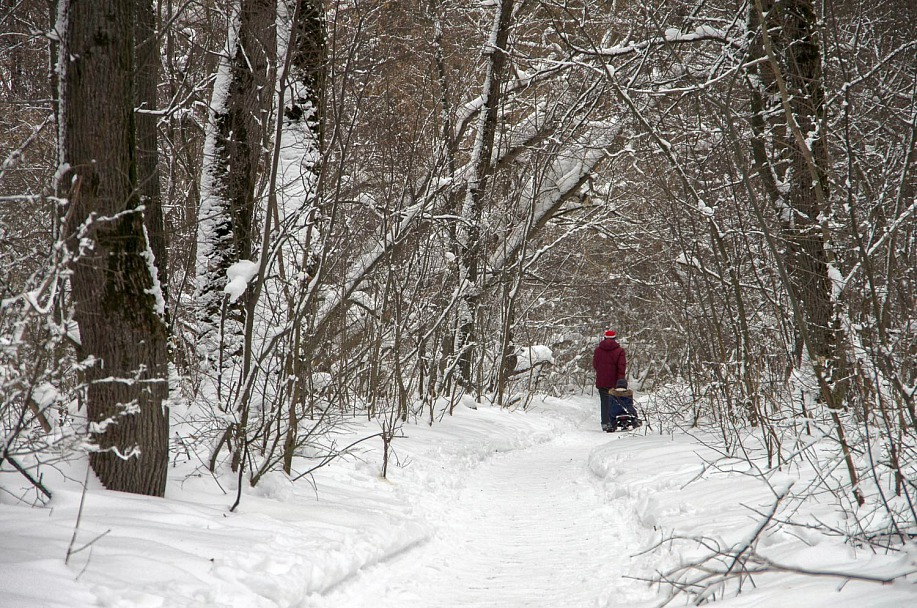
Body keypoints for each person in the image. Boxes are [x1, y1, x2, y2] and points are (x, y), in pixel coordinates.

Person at [593, 330, 626, 431]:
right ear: (615, 338)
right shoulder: (619, 351)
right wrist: (621, 380)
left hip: (602, 380)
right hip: (614, 381)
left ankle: (605, 423)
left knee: (604, 402)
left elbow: (595, 365)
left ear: (604, 338)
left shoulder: (598, 350)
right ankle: (613, 422)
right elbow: (621, 366)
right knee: (615, 401)